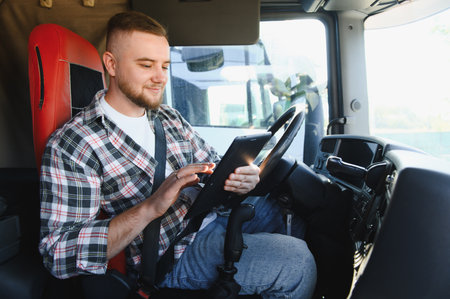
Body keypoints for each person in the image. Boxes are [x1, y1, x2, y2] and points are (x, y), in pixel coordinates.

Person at [39, 11, 316, 299]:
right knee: (296, 262)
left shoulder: (168, 117)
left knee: (293, 218)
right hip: (173, 252)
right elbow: (57, 253)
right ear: (111, 64)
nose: (160, 78)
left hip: (209, 215)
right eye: (146, 65)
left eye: (164, 66)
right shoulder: (75, 143)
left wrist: (241, 178)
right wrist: (151, 207)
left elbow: (215, 163)